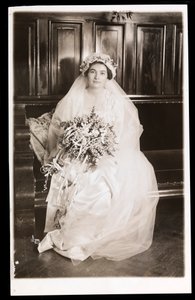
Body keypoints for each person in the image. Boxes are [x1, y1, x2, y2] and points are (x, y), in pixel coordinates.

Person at [36, 53, 159, 264]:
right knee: (78, 178)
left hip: (107, 152)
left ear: (108, 76)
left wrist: (101, 147)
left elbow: (121, 131)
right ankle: (70, 236)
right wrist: (78, 145)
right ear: (85, 74)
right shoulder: (75, 97)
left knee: (101, 183)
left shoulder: (114, 100)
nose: (97, 77)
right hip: (75, 151)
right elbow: (60, 128)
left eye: (102, 73)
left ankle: (85, 237)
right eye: (93, 72)